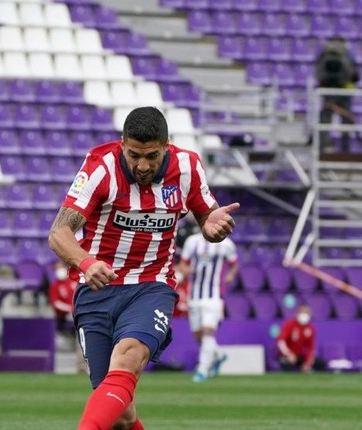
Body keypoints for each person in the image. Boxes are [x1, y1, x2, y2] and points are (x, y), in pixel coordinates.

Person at [48, 107, 237, 430]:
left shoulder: (188, 166)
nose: (142, 165)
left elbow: (207, 216)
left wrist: (212, 227)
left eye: (151, 156)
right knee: (121, 416)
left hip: (152, 286)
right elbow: (58, 233)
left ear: (166, 146)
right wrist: (86, 261)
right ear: (122, 144)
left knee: (128, 356)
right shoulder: (101, 167)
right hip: (97, 289)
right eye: (134, 154)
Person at [176, 231, 238, 382]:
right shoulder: (192, 241)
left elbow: (234, 264)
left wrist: (230, 275)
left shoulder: (226, 244)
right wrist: (186, 270)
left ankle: (202, 370)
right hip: (194, 295)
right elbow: (183, 264)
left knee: (208, 332)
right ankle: (218, 354)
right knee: (198, 336)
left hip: (214, 296)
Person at [315, 36, 359, 153]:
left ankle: (321, 149)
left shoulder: (323, 55)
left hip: (327, 92)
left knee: (325, 121)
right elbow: (355, 76)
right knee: (345, 123)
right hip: (344, 92)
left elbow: (318, 73)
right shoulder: (348, 56)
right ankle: (345, 151)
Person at [277, 305, 325, 373]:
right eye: (302, 313)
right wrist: (288, 354)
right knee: (286, 365)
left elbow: (311, 347)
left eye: (306, 314)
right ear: (297, 314)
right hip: (287, 355)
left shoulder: (310, 328)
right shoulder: (289, 324)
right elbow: (281, 342)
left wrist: (308, 361)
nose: (304, 316)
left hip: (300, 356)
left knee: (321, 363)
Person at [48, 260, 78, 334]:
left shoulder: (74, 281)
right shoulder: (55, 286)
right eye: (56, 269)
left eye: (60, 268)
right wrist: (69, 308)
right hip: (64, 317)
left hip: (79, 313)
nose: (59, 271)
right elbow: (55, 303)